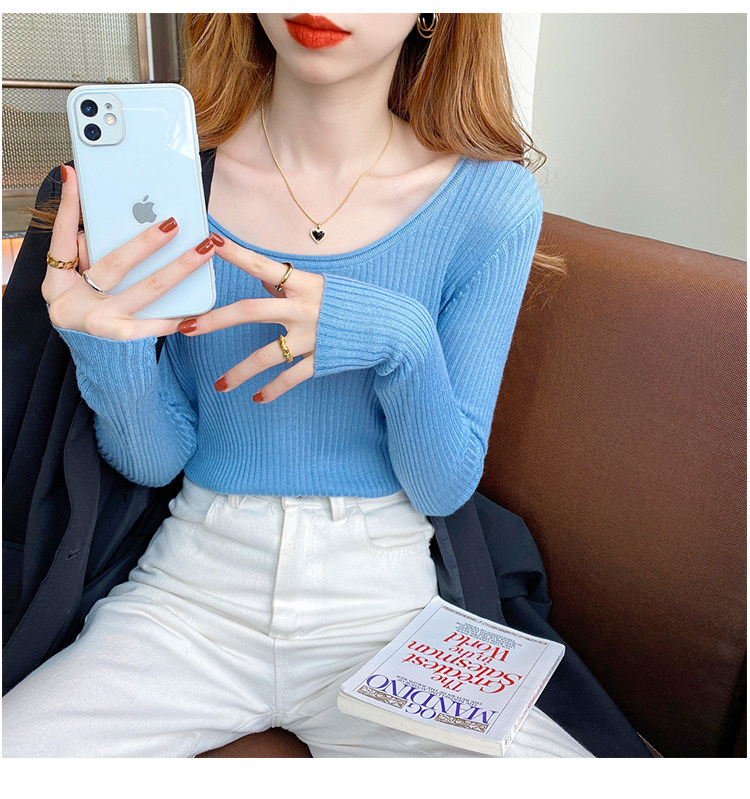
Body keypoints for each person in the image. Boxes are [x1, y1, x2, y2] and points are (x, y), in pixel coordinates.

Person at [3, 13, 592, 758]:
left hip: (384, 610)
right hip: (188, 595)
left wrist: (400, 338)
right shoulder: (177, 185)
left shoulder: (490, 201)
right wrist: (101, 343)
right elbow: (155, 459)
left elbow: (444, 485)